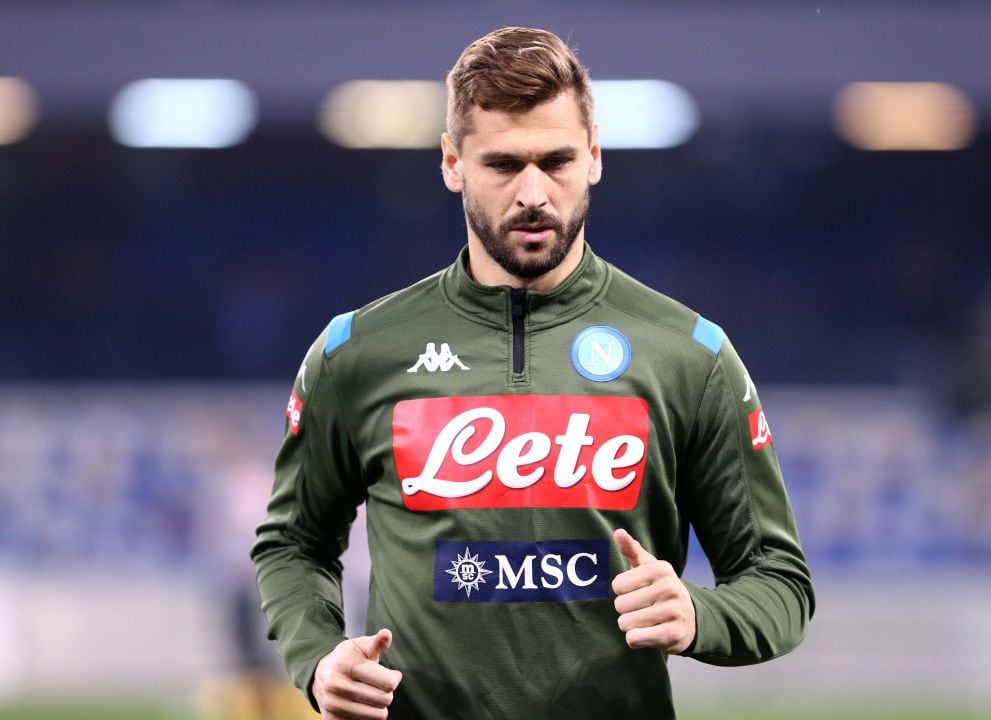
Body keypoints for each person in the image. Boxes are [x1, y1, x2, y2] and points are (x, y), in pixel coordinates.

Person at [252, 26, 813, 720]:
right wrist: (316, 658)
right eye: (503, 164)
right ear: (453, 163)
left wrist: (698, 615)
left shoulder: (689, 355)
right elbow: (293, 543)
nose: (533, 193)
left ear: (596, 157)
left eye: (557, 161)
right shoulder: (357, 354)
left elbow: (779, 582)